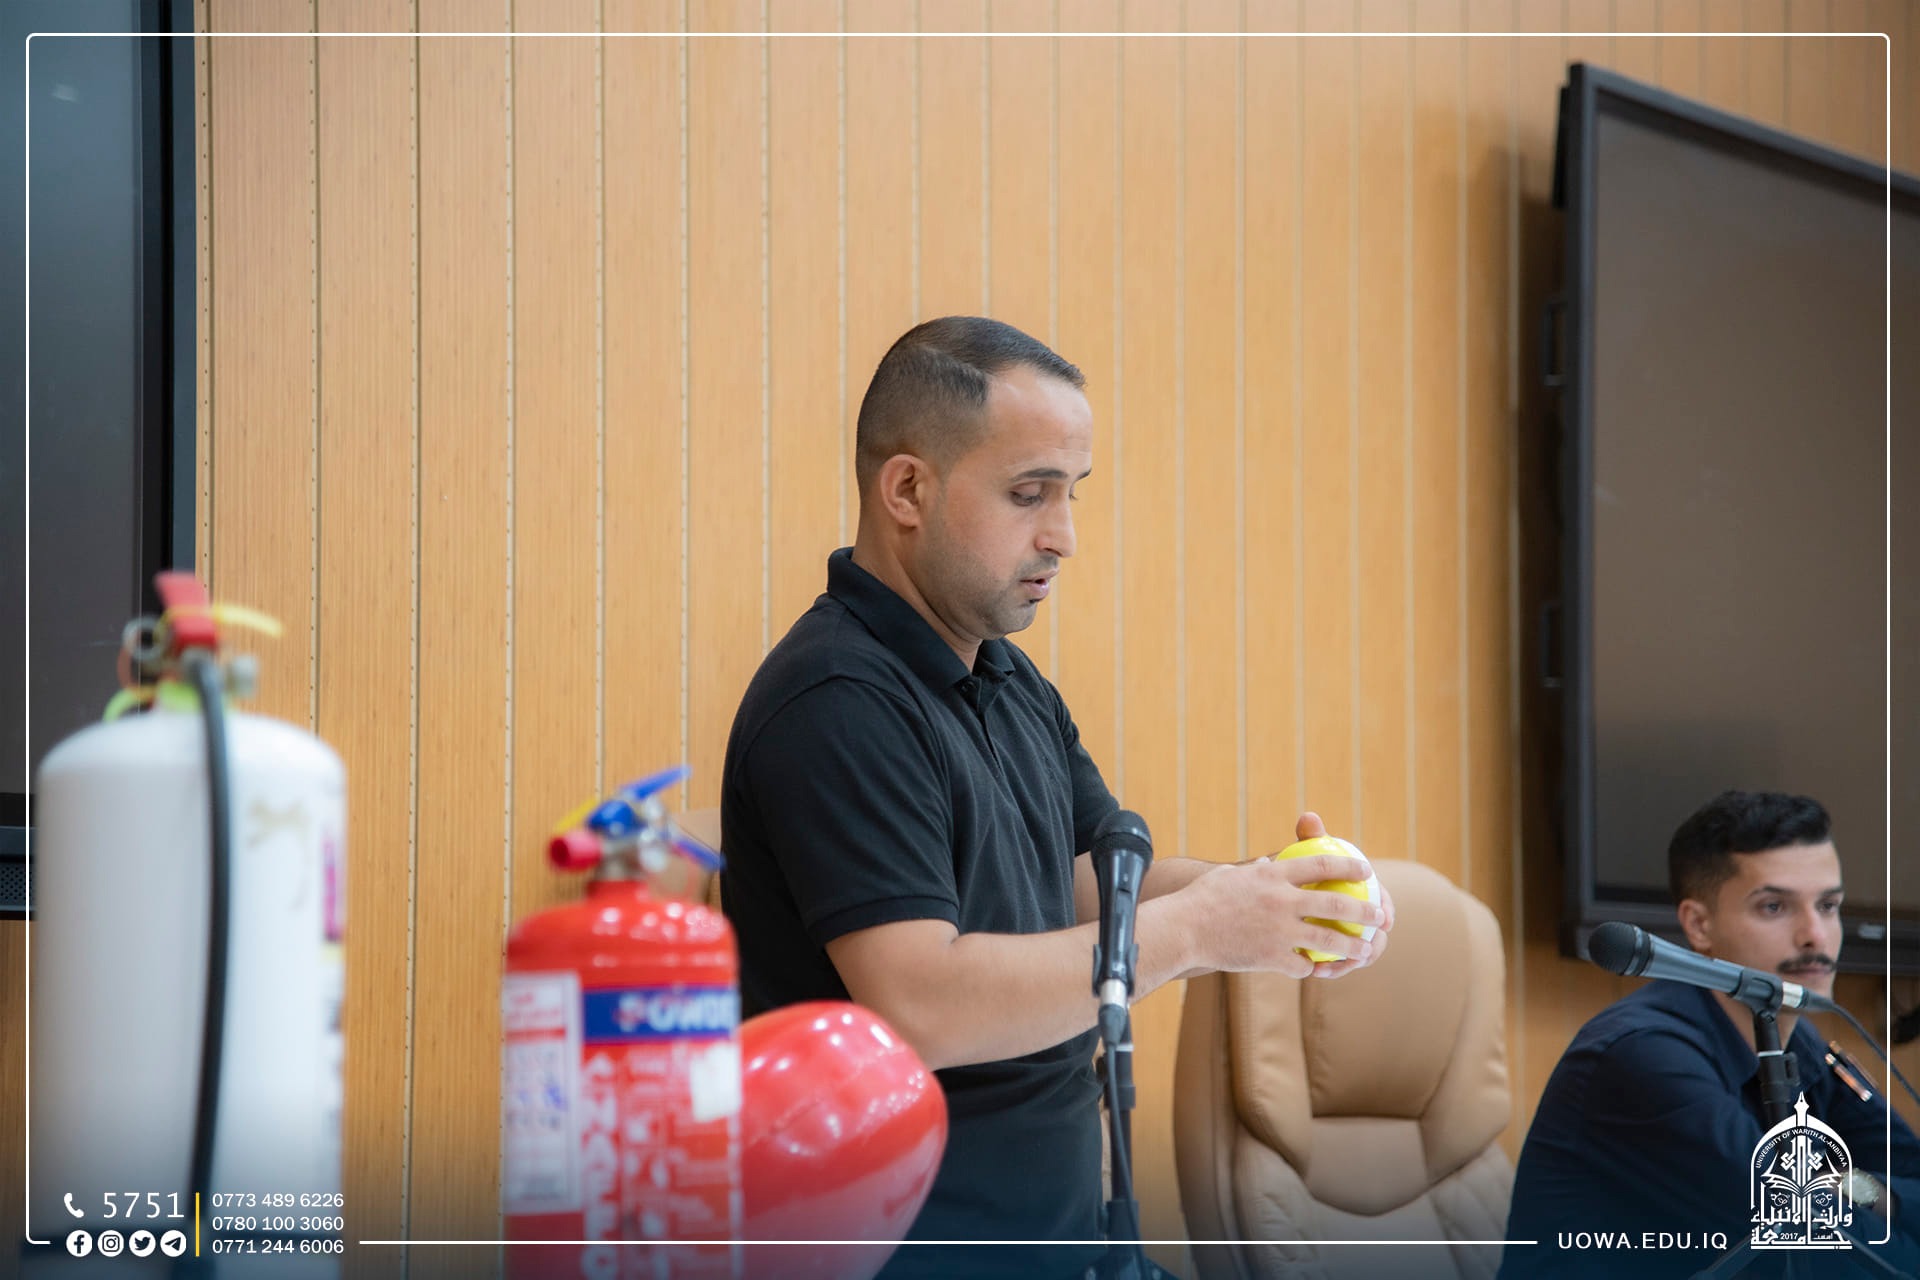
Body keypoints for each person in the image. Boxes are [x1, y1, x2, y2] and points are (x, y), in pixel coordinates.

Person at [719, 316, 1395, 1278]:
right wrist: (1199, 931)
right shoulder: (838, 701)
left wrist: (1270, 897)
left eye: (1072, 493)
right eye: (1028, 493)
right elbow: (919, 1005)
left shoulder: (1006, 677)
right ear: (907, 490)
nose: (1064, 536)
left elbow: (1094, 886)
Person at [1500, 790, 1920, 1278]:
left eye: (1828, 906)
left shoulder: (1800, 1042)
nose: (1816, 935)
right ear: (1699, 925)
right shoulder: (1640, 1056)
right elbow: (1830, 1251)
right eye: (1774, 907)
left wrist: (1860, 1189)